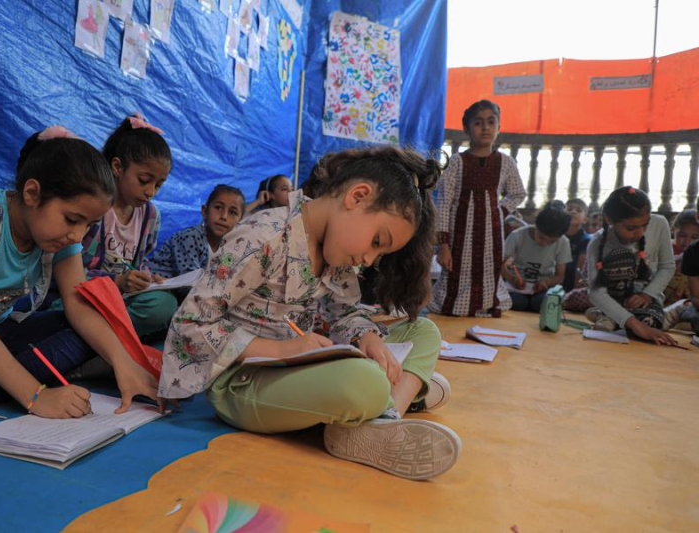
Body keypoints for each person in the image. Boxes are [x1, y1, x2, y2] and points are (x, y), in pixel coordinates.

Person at [158, 146, 461, 481]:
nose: (370, 260)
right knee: (366, 381)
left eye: (381, 253)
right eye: (377, 241)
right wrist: (280, 350)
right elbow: (191, 323)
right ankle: (395, 396)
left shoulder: (337, 252)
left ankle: (379, 420)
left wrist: (366, 336)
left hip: (304, 366)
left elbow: (343, 312)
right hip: (244, 384)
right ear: (357, 196)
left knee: (423, 332)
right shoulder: (262, 237)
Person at [0, 127, 160, 436]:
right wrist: (36, 396)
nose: (77, 236)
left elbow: (78, 305)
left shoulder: (62, 239)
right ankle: (2, 383)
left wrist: (123, 363)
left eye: (88, 225)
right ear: (32, 193)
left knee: (82, 330)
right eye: (72, 219)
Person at [80, 113, 177, 340]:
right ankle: (103, 341)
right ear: (117, 167)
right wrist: (116, 282)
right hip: (86, 295)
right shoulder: (95, 207)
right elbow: (69, 272)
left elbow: (139, 263)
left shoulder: (150, 215)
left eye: (158, 185)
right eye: (144, 180)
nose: (150, 191)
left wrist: (147, 279)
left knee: (165, 304)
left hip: (122, 300)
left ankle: (98, 340)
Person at [429, 99, 526, 317]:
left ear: (499, 128)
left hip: (492, 236)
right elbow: (443, 203)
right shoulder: (457, 162)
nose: (485, 128)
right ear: (466, 128)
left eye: (491, 122)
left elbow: (518, 192)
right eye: (478, 123)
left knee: (488, 273)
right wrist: (443, 245)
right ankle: (453, 310)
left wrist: (498, 212)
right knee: (456, 274)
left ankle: (485, 308)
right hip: (459, 236)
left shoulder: (506, 162)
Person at [584, 186, 677, 345]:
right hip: (614, 297)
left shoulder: (660, 224)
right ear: (609, 220)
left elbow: (667, 266)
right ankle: (612, 315)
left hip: (647, 298)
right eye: (631, 228)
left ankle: (609, 317)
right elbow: (596, 292)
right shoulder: (597, 243)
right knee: (640, 328)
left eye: (645, 225)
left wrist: (646, 295)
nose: (640, 232)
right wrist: (635, 324)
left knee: (650, 322)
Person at [151, 184, 245, 279]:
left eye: (232, 212)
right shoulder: (191, 236)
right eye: (218, 208)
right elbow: (188, 283)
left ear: (240, 222)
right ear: (204, 212)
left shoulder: (230, 247)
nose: (224, 216)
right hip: (152, 285)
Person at [502, 204, 572, 312]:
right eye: (541, 237)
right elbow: (499, 264)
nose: (545, 244)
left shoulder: (563, 242)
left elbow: (559, 277)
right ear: (535, 225)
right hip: (516, 287)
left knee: (542, 303)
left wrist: (546, 283)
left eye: (552, 241)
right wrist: (512, 279)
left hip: (542, 289)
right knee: (517, 302)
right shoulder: (518, 236)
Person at [663, 209, 699, 306]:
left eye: (695, 237)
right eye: (682, 235)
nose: (687, 242)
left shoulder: (696, 252)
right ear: (673, 229)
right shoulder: (663, 247)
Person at [563, 198, 592, 292]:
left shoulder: (585, 239)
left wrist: (574, 292)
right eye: (569, 209)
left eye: (578, 210)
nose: (573, 212)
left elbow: (580, 268)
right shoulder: (556, 235)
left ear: (585, 220)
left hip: (572, 280)